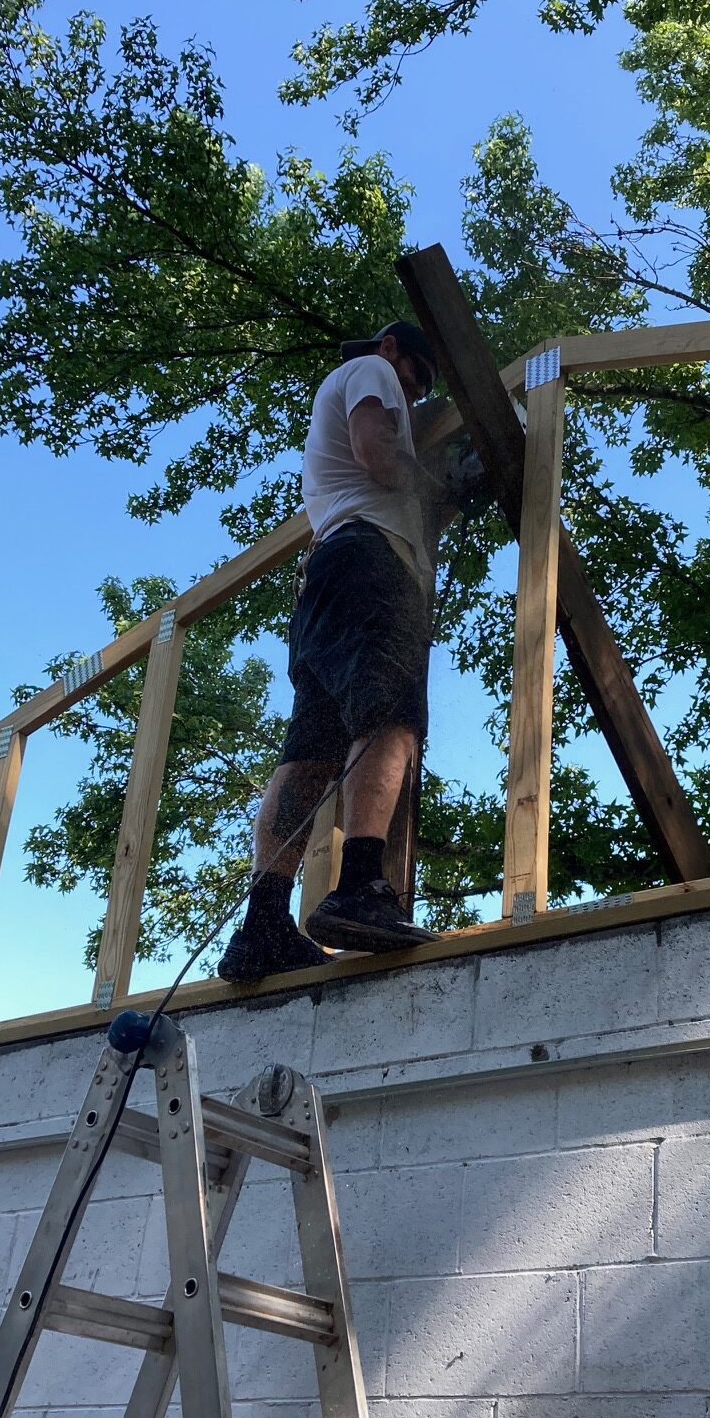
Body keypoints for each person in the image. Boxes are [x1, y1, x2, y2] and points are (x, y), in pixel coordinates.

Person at [218, 320, 446, 983]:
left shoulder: (343, 414)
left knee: (313, 754)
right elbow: (378, 454)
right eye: (415, 374)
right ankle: (359, 887)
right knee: (391, 716)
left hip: (326, 580)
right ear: (391, 349)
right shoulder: (371, 373)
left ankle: (264, 923)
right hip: (370, 567)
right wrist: (436, 479)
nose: (412, 390)